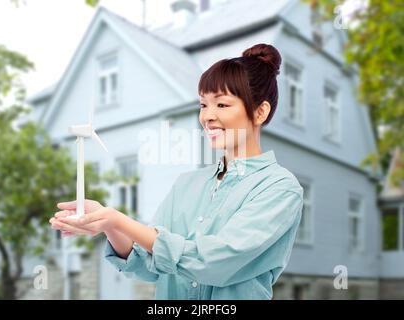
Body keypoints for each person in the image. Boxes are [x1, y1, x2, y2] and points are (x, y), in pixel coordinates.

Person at [50, 43, 304, 300]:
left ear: (260, 112)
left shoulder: (279, 188)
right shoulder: (187, 184)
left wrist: (118, 219)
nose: (207, 117)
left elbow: (214, 263)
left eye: (222, 105)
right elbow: (148, 265)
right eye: (203, 105)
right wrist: (109, 225)